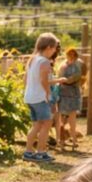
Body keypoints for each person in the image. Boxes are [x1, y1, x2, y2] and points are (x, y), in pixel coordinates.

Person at [23, 33, 60, 163]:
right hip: (40, 98)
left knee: (37, 125)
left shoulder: (32, 59)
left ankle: (28, 152)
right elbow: (44, 81)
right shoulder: (44, 62)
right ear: (49, 47)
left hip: (30, 97)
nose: (55, 51)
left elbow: (25, 80)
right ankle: (41, 153)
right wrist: (48, 95)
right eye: (54, 48)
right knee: (46, 124)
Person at [55, 48, 84, 151]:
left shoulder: (76, 65)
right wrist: (66, 80)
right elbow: (61, 77)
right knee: (62, 120)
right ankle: (61, 141)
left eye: (73, 55)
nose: (71, 57)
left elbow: (76, 77)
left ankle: (73, 140)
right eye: (70, 55)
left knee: (71, 119)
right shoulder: (63, 65)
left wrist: (67, 80)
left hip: (72, 95)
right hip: (64, 94)